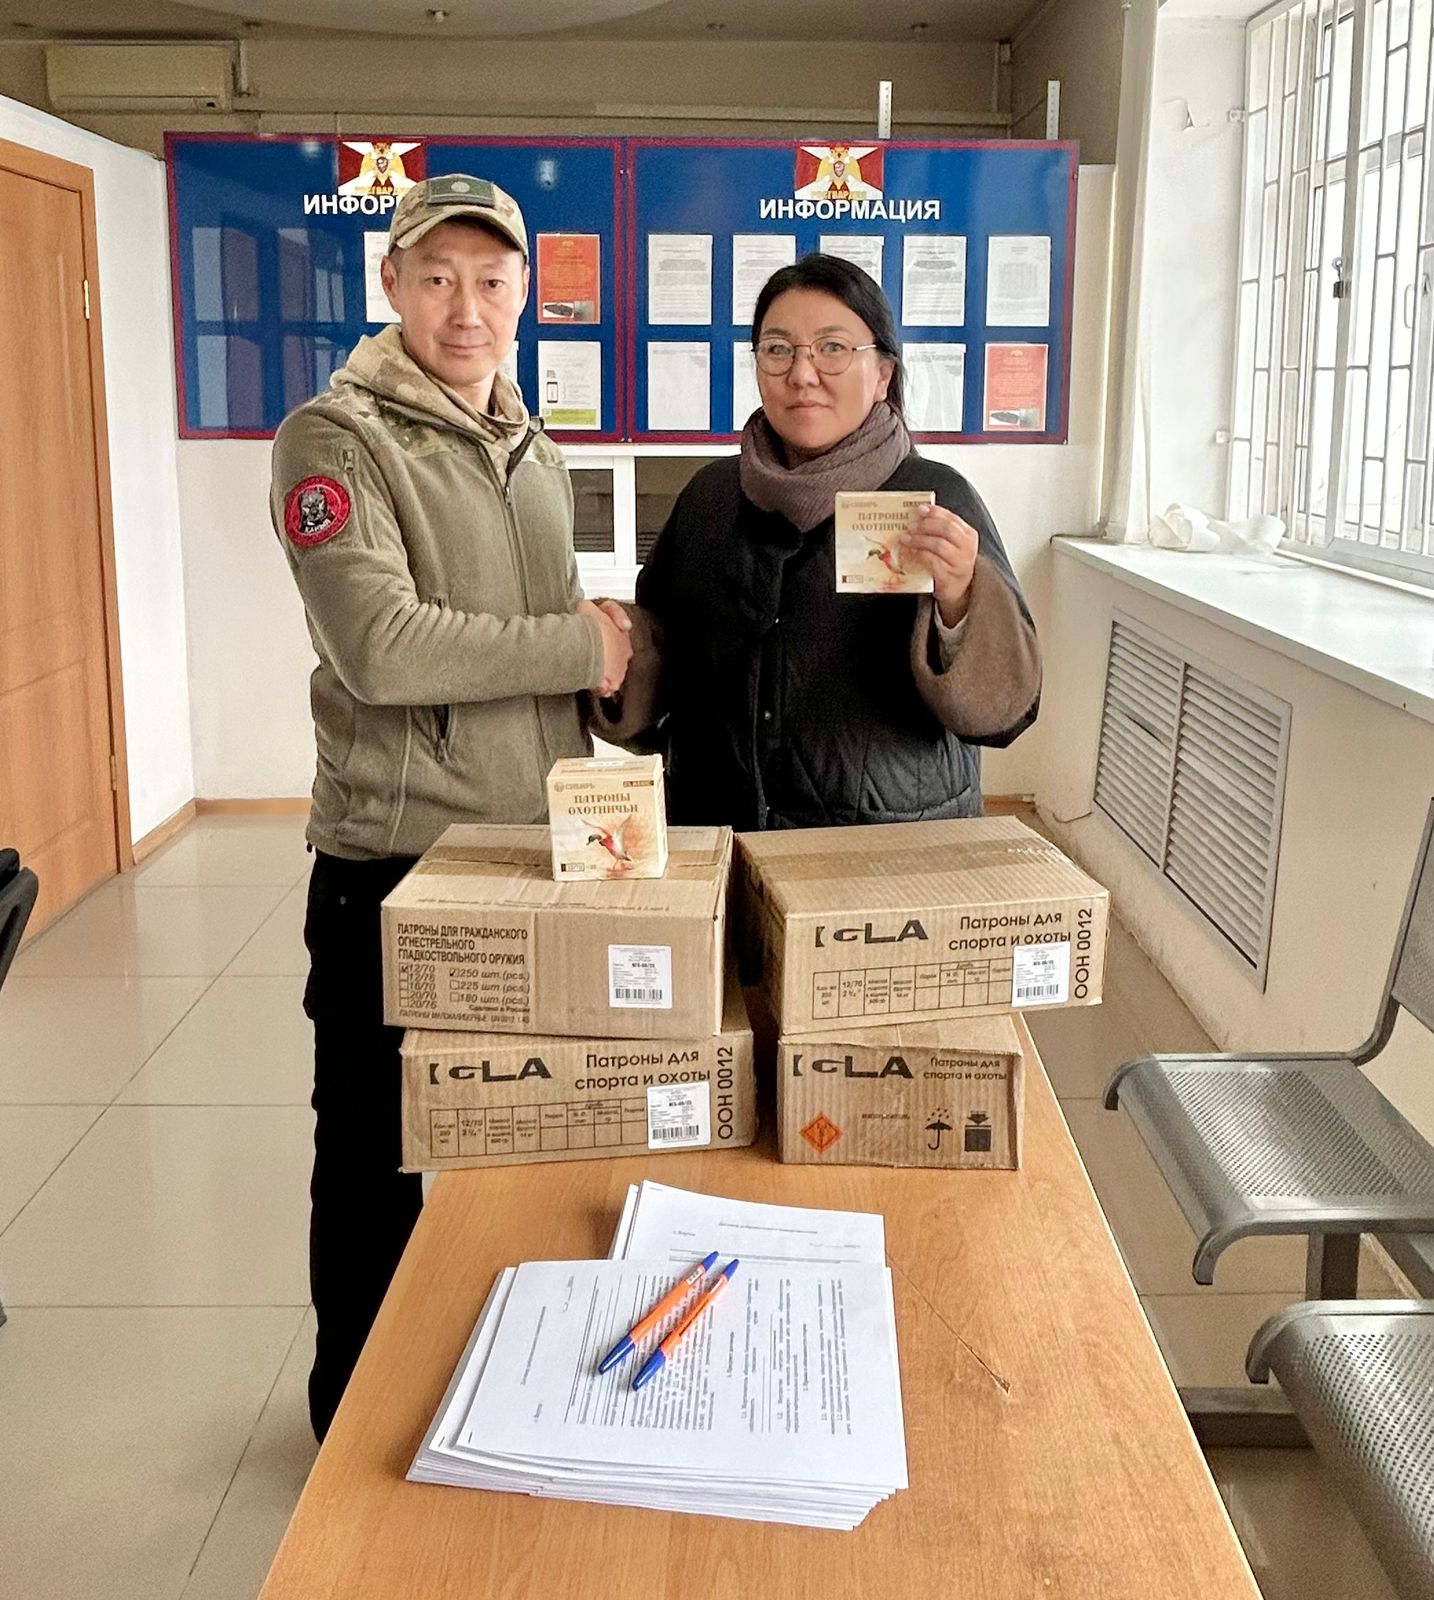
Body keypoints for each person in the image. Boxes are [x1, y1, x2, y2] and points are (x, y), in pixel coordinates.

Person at [268, 174, 632, 1439]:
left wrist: (616, 673)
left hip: (534, 856)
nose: (465, 307)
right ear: (391, 286)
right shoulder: (334, 440)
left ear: (525, 293)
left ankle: (503, 1397)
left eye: (490, 280)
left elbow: (551, 640)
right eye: (436, 278)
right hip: (397, 863)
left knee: (518, 1142)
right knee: (376, 1162)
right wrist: (580, 644)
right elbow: (383, 648)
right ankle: (355, 1420)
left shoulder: (533, 446)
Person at [594, 253, 1039, 829]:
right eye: (778, 349)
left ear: (882, 374)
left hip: (886, 845)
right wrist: (614, 639)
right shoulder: (711, 497)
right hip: (721, 830)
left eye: (832, 348)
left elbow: (1006, 710)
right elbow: (666, 647)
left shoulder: (936, 499)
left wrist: (961, 600)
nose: (803, 374)